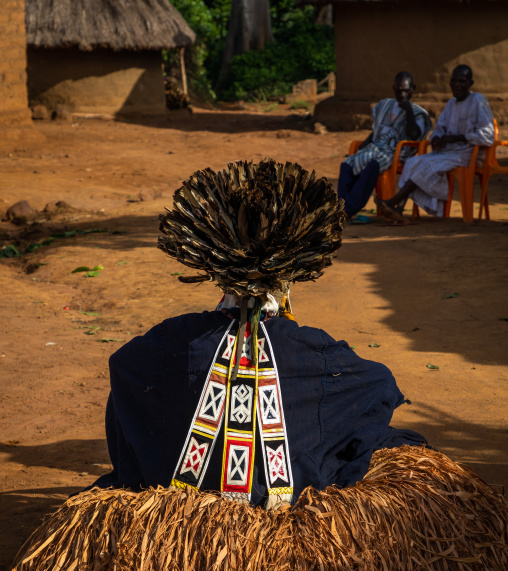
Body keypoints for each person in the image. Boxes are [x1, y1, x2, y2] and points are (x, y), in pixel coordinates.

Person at [90, 159, 427, 509]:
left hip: (181, 500)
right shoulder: (314, 349)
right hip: (286, 495)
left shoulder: (173, 338)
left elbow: (124, 367)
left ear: (217, 274)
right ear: (288, 278)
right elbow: (380, 385)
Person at [376, 65, 495, 223]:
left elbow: (488, 135)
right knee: (413, 162)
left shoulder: (478, 101)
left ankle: (392, 202)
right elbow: (439, 128)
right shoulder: (451, 104)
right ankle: (399, 210)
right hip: (449, 153)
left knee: (427, 166)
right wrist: (436, 139)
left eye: (462, 81)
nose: (457, 85)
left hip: (468, 153)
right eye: (454, 81)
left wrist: (457, 138)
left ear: (470, 83)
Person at [337, 71, 431, 219]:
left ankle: (348, 209)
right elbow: (376, 132)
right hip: (376, 147)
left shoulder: (418, 113)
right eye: (399, 90)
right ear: (394, 89)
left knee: (373, 166)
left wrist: (407, 110)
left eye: (406, 90)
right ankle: (340, 207)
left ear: (413, 88)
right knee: (347, 164)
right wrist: (361, 148)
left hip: (396, 153)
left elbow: (414, 135)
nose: (403, 94)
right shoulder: (385, 105)